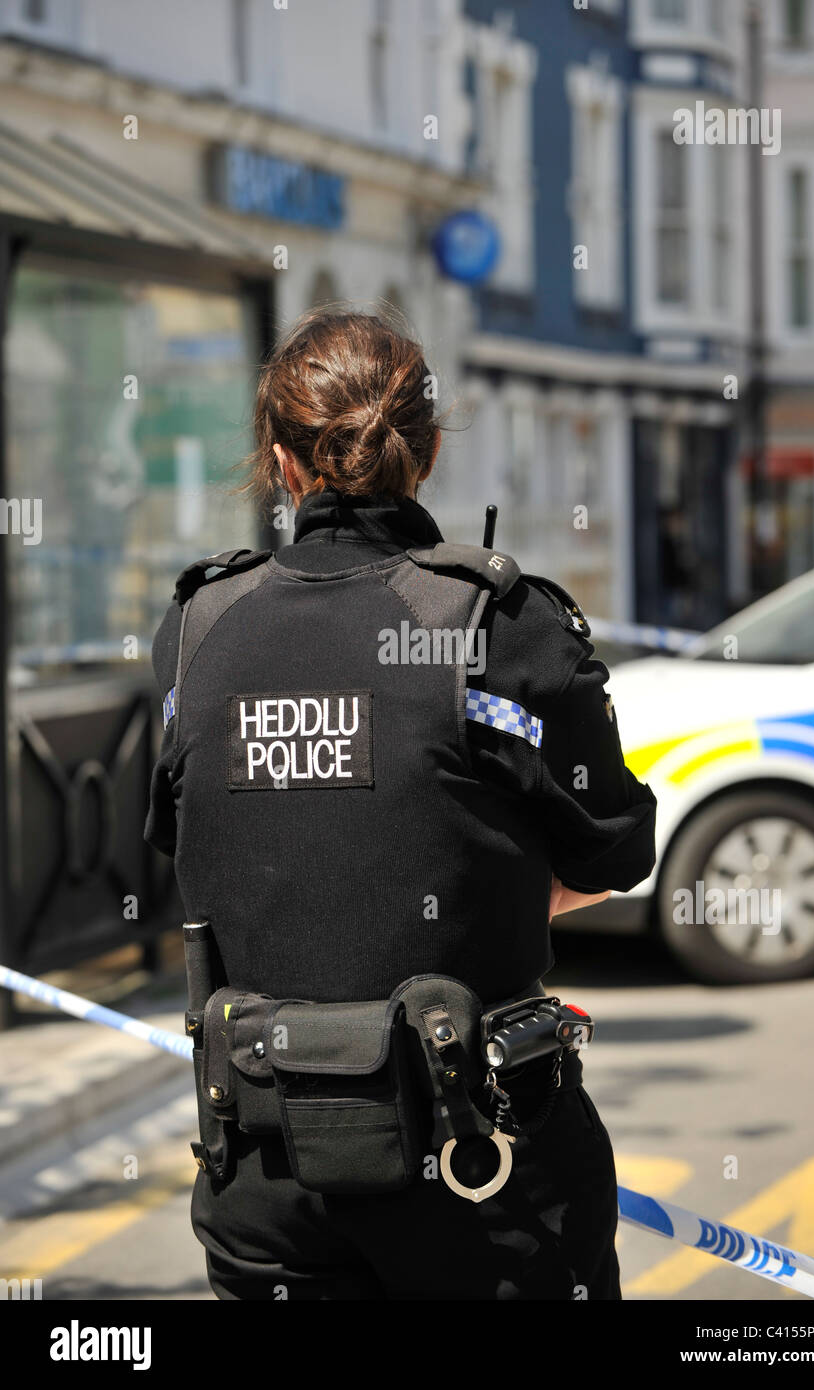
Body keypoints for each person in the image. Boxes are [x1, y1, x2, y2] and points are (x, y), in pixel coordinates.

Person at [144, 308, 656, 1301]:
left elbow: (185, 848)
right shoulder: (494, 622)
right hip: (487, 1182)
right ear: (420, 454)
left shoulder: (198, 627)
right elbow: (612, 851)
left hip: (267, 1176)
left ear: (281, 462)